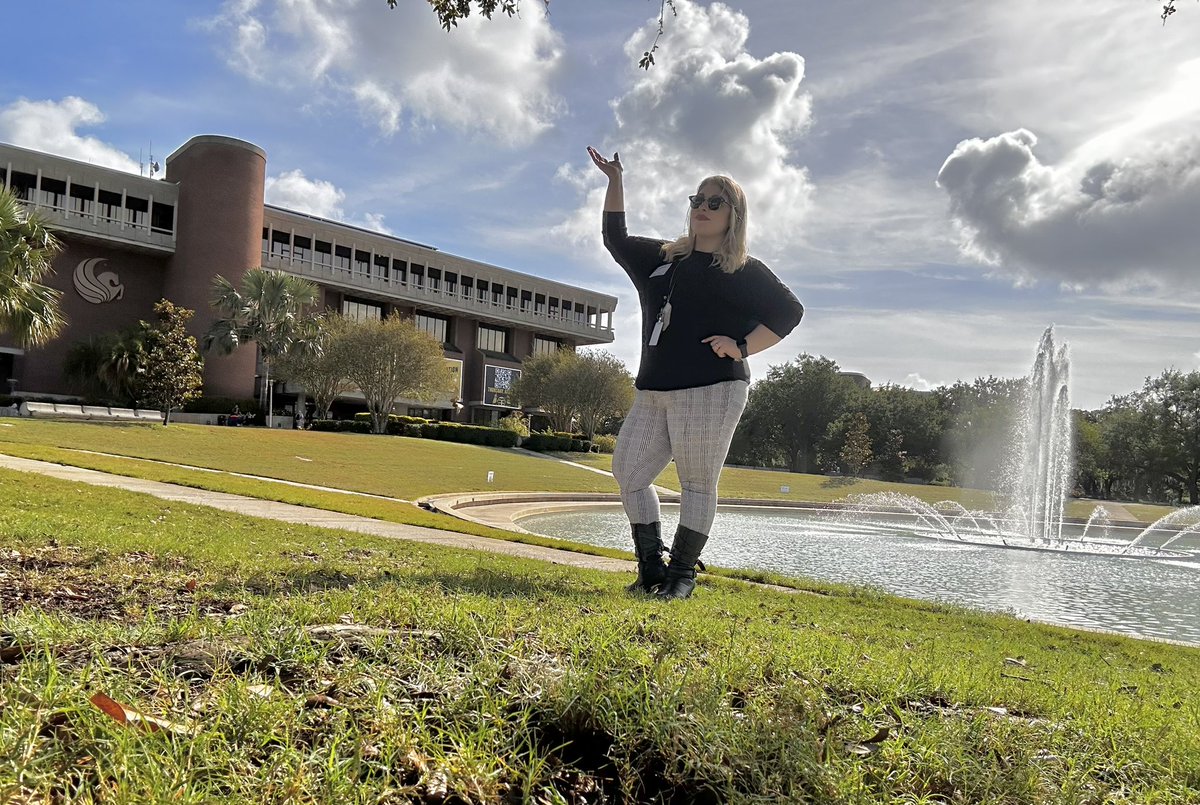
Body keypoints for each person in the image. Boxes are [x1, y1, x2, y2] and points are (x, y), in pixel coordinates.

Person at [588, 146, 804, 600]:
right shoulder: (664, 257)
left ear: (734, 214)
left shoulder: (742, 270)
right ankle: (651, 567)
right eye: (697, 200)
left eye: (714, 202)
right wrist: (615, 180)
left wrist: (742, 346)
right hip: (653, 389)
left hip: (712, 388)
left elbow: (789, 311)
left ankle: (681, 575)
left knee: (698, 483)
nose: (702, 208)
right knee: (628, 471)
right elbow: (615, 237)